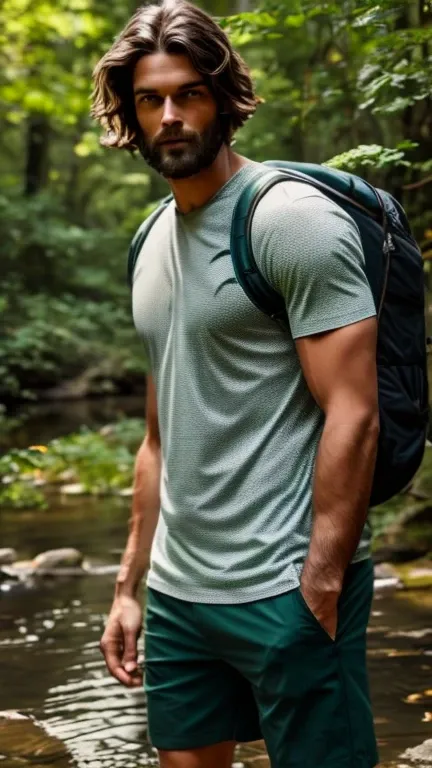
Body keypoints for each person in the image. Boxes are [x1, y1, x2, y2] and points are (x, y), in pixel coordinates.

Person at [92, 2, 380, 766]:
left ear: (222, 97)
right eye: (149, 100)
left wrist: (318, 588)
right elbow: (160, 436)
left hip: (286, 586)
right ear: (129, 113)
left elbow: (354, 415)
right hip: (182, 596)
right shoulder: (149, 240)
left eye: (188, 93)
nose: (170, 116)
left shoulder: (291, 222)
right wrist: (131, 586)